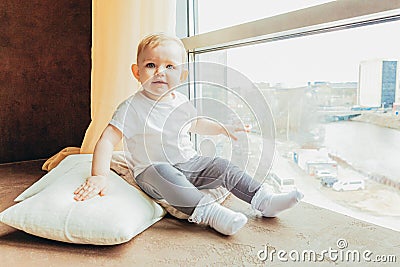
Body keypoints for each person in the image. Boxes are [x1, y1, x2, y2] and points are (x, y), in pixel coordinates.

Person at [74, 33, 303, 235]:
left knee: (222, 165)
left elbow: (198, 124)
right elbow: (107, 140)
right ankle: (211, 214)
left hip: (189, 163)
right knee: (164, 172)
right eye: (151, 65)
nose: (160, 73)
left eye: (169, 67)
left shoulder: (181, 102)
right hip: (152, 171)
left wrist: (223, 129)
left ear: (182, 76)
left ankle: (264, 200)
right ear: (137, 72)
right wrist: (99, 175)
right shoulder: (131, 107)